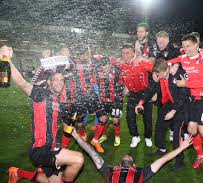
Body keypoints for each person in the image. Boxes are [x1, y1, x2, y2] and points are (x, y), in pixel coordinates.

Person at [2, 46, 84, 183]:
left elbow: (63, 123)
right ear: (49, 82)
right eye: (55, 80)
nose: (59, 83)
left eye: (61, 80)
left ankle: (17, 173)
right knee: (78, 160)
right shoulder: (41, 94)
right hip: (41, 149)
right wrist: (7, 61)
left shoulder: (60, 102)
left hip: (55, 147)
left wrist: (73, 131)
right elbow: (23, 84)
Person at [66, 125, 192, 183]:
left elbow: (163, 160)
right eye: (128, 156)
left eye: (127, 156)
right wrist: (76, 135)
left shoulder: (111, 171)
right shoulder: (113, 170)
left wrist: (180, 148)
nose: (127, 155)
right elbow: (91, 151)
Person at [169, 34, 203, 174]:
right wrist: (163, 67)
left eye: (188, 46)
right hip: (194, 100)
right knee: (191, 130)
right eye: (184, 46)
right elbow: (170, 61)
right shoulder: (183, 58)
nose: (185, 49)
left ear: (196, 45)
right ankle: (200, 156)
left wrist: (185, 84)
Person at [135, 59, 191, 170]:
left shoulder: (177, 74)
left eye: (158, 74)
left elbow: (184, 95)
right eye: (155, 73)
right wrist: (140, 103)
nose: (156, 76)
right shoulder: (160, 76)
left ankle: (179, 159)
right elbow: (150, 90)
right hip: (168, 104)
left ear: (165, 70)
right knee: (160, 126)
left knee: (177, 134)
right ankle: (161, 149)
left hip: (182, 106)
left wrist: (174, 111)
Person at [119, 44, 154, 148]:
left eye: (127, 53)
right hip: (132, 93)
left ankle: (148, 137)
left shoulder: (141, 62)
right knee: (129, 117)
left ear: (134, 53)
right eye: (123, 53)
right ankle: (135, 136)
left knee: (147, 118)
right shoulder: (121, 64)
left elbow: (156, 70)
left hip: (145, 93)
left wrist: (154, 92)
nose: (125, 56)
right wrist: (125, 85)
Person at [93, 57, 124, 147]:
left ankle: (117, 136)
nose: (106, 70)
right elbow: (94, 86)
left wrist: (118, 98)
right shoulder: (98, 74)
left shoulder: (117, 72)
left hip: (115, 101)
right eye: (104, 68)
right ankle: (103, 135)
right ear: (101, 67)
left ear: (111, 65)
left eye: (108, 67)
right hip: (102, 101)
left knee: (115, 119)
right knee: (102, 118)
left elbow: (121, 86)